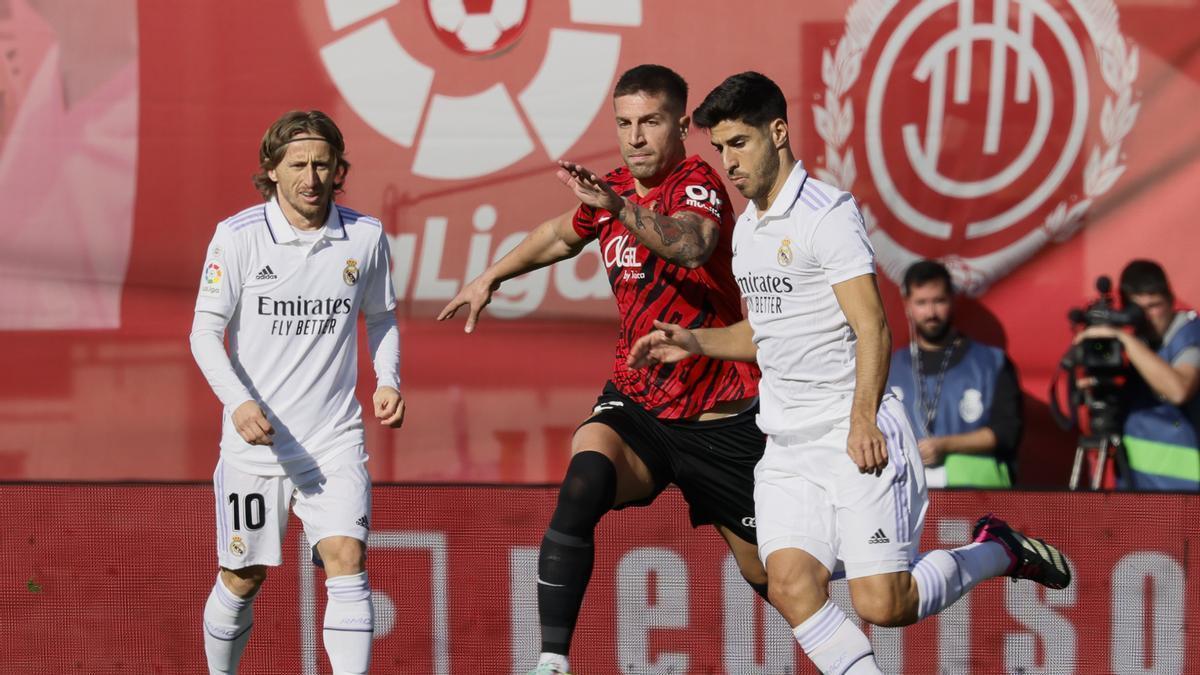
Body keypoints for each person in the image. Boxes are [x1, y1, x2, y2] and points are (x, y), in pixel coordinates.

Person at [629, 71, 1070, 674]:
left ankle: (996, 550)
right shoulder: (749, 232)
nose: (728, 162)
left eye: (739, 143)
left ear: (778, 132)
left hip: (850, 432)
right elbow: (765, 332)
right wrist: (695, 341)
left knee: (883, 605)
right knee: (787, 584)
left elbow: (874, 327)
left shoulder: (826, 214)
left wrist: (864, 420)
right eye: (720, 149)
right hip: (786, 447)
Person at [438, 64, 766, 675]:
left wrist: (616, 204)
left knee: (776, 578)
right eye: (624, 123)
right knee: (583, 481)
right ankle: (551, 662)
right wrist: (490, 276)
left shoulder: (699, 183)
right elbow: (559, 237)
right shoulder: (610, 190)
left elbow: (689, 244)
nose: (635, 137)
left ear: (681, 125)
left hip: (715, 416)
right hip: (638, 403)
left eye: (650, 122)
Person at [190, 110, 404, 675]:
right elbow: (204, 332)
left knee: (347, 560)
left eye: (322, 164)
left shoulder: (365, 236)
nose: (311, 177)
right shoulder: (237, 238)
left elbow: (381, 317)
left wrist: (388, 381)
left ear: (338, 169)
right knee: (242, 578)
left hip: (333, 438)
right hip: (257, 449)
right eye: (297, 164)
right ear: (272, 172)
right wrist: (238, 403)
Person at [887, 260, 1022, 488]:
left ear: (952, 299)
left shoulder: (991, 363)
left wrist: (945, 445)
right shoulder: (890, 368)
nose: (931, 312)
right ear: (907, 305)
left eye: (939, 301)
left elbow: (1007, 433)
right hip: (907, 498)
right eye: (921, 302)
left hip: (974, 499)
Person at [1075, 259, 1200, 491]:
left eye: (1154, 306)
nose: (1148, 317)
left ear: (1171, 300)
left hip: (1187, 496)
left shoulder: (1190, 334)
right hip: (1138, 493)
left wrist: (1125, 339)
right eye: (1138, 310)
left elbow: (1179, 390)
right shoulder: (1136, 343)